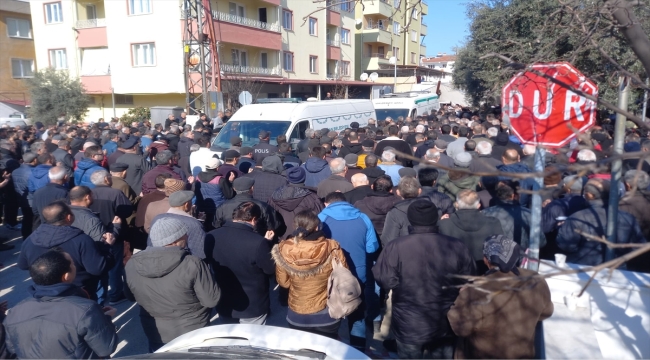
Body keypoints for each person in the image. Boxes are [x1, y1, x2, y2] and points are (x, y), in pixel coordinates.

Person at [374, 200, 476, 359]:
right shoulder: (456, 246)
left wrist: (402, 286)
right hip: (445, 318)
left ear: (410, 219)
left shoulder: (396, 246)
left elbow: (385, 279)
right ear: (436, 218)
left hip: (409, 321)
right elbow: (468, 279)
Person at [448, 235, 554, 359]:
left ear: (486, 260)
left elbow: (460, 328)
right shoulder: (535, 279)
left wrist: (462, 295)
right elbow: (546, 312)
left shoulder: (475, 291)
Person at [125, 218, 220, 352]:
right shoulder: (193, 263)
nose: (187, 236)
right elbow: (211, 300)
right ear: (175, 240)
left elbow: (130, 296)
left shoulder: (131, 264)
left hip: (154, 331)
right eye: (184, 234)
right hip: (192, 331)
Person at [5, 250, 118, 358]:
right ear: (66, 276)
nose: (75, 266)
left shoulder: (14, 312)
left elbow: (12, 348)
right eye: (73, 264)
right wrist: (106, 319)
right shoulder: (86, 310)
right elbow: (106, 348)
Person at [271, 211, 349, 338]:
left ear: (295, 227)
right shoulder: (332, 246)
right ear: (317, 227)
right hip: (327, 313)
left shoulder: (283, 248)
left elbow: (283, 283)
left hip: (297, 315)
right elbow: (343, 275)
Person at [318, 192, 379, 351]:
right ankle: (357, 350)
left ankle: (329, 349)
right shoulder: (363, 217)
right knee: (356, 313)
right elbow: (372, 247)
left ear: (327, 203)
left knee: (329, 312)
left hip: (329, 274)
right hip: (358, 274)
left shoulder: (321, 218)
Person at [18, 201, 114, 300]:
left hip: (44, 294)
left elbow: (23, 265)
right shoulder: (81, 240)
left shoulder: (30, 240)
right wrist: (107, 246)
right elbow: (97, 269)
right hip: (79, 294)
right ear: (68, 217)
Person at [206, 202, 275, 325]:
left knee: (228, 338)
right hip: (253, 305)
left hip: (224, 300)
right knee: (252, 340)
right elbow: (269, 269)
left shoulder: (211, 235)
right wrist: (267, 243)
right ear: (254, 219)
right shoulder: (258, 242)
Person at [557, 179, 646, 266]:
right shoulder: (627, 217)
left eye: (585, 192)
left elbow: (566, 246)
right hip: (618, 270)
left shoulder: (578, 217)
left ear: (590, 195)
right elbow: (637, 246)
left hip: (583, 269)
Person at [439, 189, 504, 274]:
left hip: (455, 276)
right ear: (478, 205)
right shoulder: (493, 223)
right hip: (485, 275)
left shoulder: (444, 225)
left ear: (457, 205)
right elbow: (500, 251)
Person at [268, 166, 323, 239]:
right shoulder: (311, 198)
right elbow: (320, 217)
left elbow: (269, 216)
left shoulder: (275, 195)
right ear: (304, 178)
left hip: (280, 237)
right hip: (304, 238)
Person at [149, 190, 206, 259]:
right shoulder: (194, 224)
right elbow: (200, 254)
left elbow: (150, 243)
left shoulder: (157, 219)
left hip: (156, 260)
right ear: (186, 204)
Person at [213, 177, 279, 235]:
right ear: (252, 188)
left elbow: (216, 225)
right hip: (256, 240)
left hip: (228, 239)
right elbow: (273, 226)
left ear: (234, 189)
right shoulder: (263, 206)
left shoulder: (222, 206)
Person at [355, 175, 401, 244]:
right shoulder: (399, 204)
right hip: (393, 242)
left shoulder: (359, 205)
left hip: (368, 242)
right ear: (391, 190)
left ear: (372, 186)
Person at [381, 176, 427, 245]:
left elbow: (388, 240)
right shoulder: (429, 209)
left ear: (398, 192)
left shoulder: (394, 213)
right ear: (419, 191)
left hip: (404, 250)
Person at [12, 152, 37, 238]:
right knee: (33, 220)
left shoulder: (15, 171)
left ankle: (25, 236)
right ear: (34, 160)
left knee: (26, 219)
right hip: (32, 200)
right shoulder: (33, 172)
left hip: (22, 199)